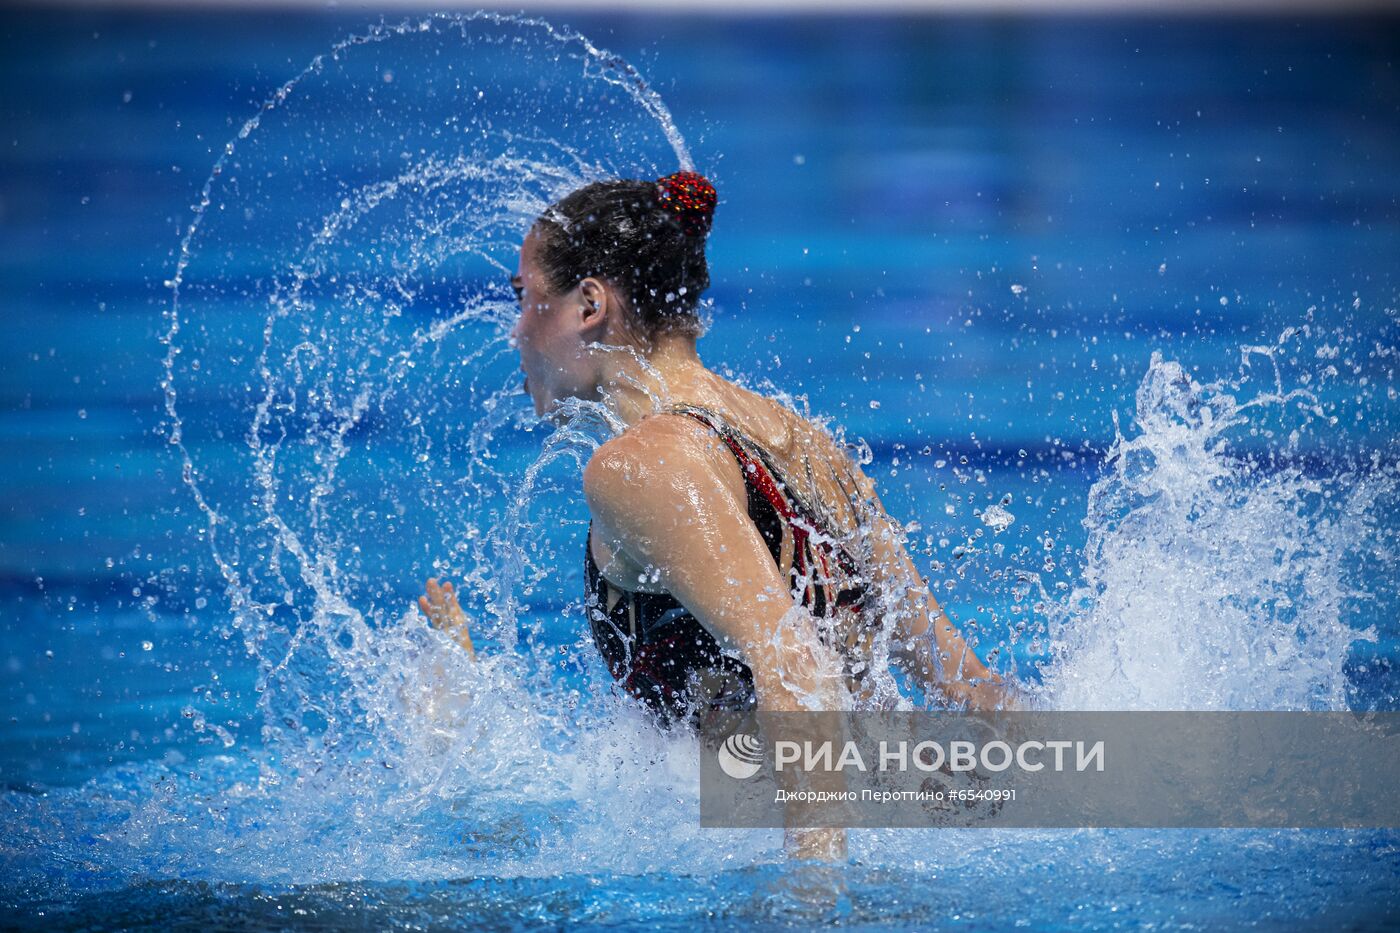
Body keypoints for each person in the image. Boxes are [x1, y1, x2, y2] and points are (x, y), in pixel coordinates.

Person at [418, 170, 1021, 860]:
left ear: (589, 303)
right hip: (908, 813)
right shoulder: (805, 443)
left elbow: (795, 665)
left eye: (525, 299)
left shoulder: (640, 463)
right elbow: (974, 686)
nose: (516, 329)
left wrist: (814, 898)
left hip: (803, 849)